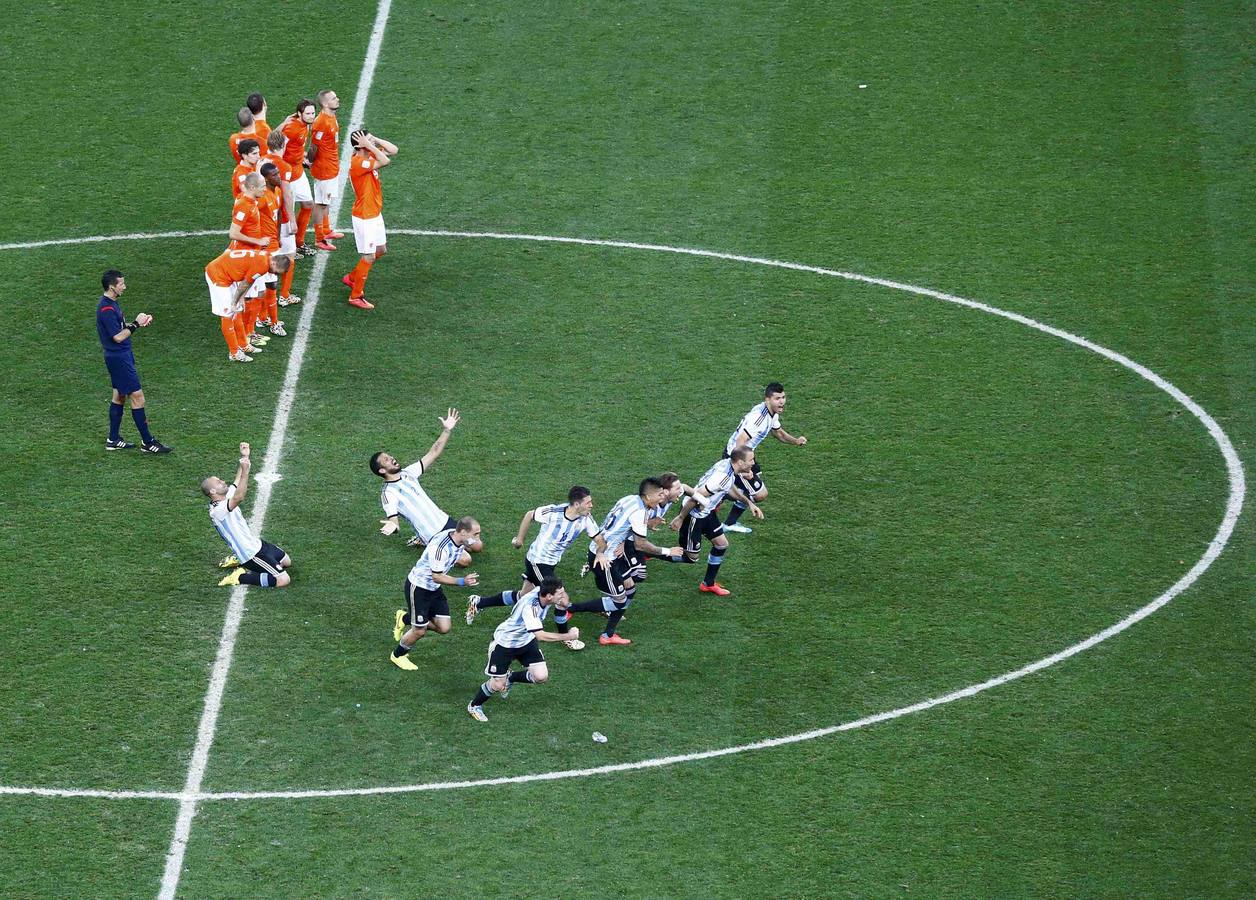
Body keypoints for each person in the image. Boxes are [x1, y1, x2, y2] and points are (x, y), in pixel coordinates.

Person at [464, 485, 605, 649]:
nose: (591, 505)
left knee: (523, 595)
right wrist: (519, 540)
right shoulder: (553, 512)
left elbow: (600, 540)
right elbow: (530, 515)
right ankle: (567, 637)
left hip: (551, 562)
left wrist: (601, 552)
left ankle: (479, 603)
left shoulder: (586, 519)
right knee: (560, 596)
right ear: (576, 504)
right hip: (537, 560)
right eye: (588, 502)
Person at [565, 478, 681, 646]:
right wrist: (667, 551)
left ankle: (609, 632)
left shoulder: (630, 499)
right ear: (648, 496)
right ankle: (573, 609)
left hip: (612, 553)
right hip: (605, 560)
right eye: (659, 494)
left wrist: (626, 538)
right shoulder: (640, 511)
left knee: (630, 589)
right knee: (618, 601)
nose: (663, 497)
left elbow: (620, 524)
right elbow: (641, 544)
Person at [370, 409, 483, 560]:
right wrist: (393, 526)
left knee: (477, 546)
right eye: (386, 459)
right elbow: (393, 520)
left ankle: (430, 542)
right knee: (465, 560)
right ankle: (427, 542)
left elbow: (433, 452)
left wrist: (447, 429)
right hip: (432, 533)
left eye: (389, 456)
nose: (391, 458)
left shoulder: (408, 473)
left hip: (445, 521)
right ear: (382, 470)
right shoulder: (388, 493)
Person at [466, 578, 578, 722]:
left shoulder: (544, 593)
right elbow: (541, 636)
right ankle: (475, 705)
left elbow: (559, 599)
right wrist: (568, 636)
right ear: (549, 596)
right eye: (560, 594)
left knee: (540, 676)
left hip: (526, 641)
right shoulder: (530, 607)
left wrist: (564, 601)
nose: (563, 596)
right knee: (498, 685)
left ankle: (511, 678)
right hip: (505, 644)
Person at [389, 517, 482, 671]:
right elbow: (437, 576)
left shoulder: (457, 537)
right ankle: (398, 655)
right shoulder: (440, 548)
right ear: (464, 532)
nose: (477, 539)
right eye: (476, 534)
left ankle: (404, 618)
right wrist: (461, 581)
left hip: (434, 588)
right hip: (419, 587)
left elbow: (475, 547)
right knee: (419, 630)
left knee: (444, 628)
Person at [97, 269, 170, 453]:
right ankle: (148, 442)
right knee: (138, 397)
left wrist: (139, 322)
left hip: (120, 356)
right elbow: (118, 337)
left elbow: (120, 329)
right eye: (121, 283)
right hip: (119, 358)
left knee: (119, 396)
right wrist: (136, 324)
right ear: (112, 286)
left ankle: (113, 439)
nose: (124, 286)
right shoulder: (106, 308)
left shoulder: (111, 304)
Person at [671, 448, 762, 596]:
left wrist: (749, 503)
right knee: (690, 558)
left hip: (707, 512)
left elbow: (729, 487)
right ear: (740, 462)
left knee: (721, 544)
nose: (754, 463)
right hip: (694, 514)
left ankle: (708, 584)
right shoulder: (722, 477)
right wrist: (681, 518)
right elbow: (697, 496)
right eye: (751, 460)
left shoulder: (728, 466)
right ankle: (648, 552)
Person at [203, 441, 292, 587]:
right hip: (251, 553)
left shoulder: (225, 496)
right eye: (219, 482)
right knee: (283, 580)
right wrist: (246, 471)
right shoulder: (217, 510)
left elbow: (237, 482)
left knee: (287, 562)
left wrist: (244, 457)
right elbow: (239, 497)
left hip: (257, 544)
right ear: (213, 492)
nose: (223, 481)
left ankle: (237, 559)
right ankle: (240, 577)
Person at [722, 382, 807, 534]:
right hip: (736, 458)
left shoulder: (771, 412)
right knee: (759, 494)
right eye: (777, 398)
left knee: (753, 490)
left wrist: (795, 441)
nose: (781, 401)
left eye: (783, 397)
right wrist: (742, 469)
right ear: (767, 399)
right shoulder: (758, 419)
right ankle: (719, 491)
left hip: (747, 456)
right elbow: (739, 441)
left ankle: (728, 519)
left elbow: (778, 433)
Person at [342, 129, 397, 310]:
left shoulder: (369, 153)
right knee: (369, 255)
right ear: (360, 144)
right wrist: (370, 145)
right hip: (364, 216)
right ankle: (355, 295)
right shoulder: (358, 162)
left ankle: (352, 278)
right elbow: (386, 160)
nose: (370, 141)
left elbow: (393, 150)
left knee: (381, 250)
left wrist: (374, 140)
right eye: (366, 139)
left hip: (374, 213)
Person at [204, 248, 290, 362]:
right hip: (218, 275)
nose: (275, 274)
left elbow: (249, 279)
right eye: (276, 271)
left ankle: (243, 345)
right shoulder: (263, 265)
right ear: (274, 263)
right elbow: (245, 283)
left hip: (227, 274)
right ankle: (234, 353)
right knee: (228, 314)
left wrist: (241, 298)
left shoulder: (268, 257)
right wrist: (235, 301)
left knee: (238, 310)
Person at [263, 129, 302, 310]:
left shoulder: (263, 161)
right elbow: (286, 193)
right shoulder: (283, 167)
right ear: (284, 145)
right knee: (289, 255)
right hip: (281, 217)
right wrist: (292, 220)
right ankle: (284, 295)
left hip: (265, 218)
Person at [307, 89, 345, 251]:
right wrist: (309, 161)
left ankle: (327, 230)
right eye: (333, 98)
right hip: (324, 169)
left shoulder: (331, 117)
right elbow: (314, 146)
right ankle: (319, 238)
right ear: (324, 103)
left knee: (326, 201)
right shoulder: (321, 122)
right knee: (321, 203)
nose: (337, 100)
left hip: (332, 166)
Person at [279, 99, 317, 257]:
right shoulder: (292, 128)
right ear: (300, 114)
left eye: (313, 113)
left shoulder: (306, 125)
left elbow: (296, 147)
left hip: (298, 171)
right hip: (287, 175)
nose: (311, 116)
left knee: (308, 204)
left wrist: (302, 157)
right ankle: (286, 247)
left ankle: (299, 242)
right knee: (287, 212)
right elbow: (276, 145)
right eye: (308, 113)